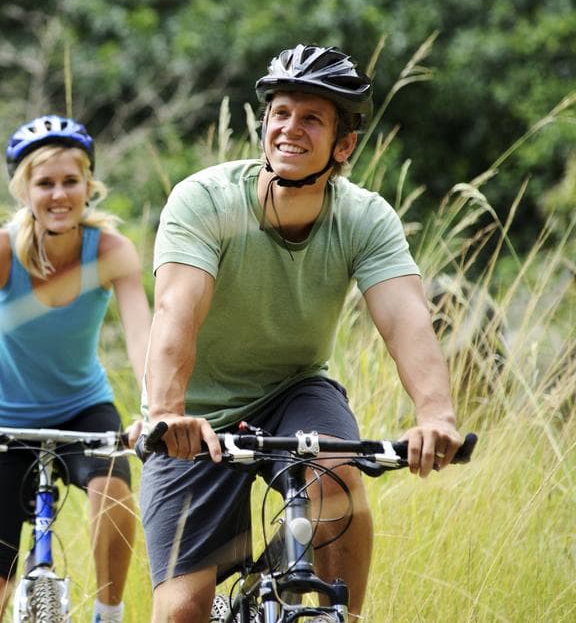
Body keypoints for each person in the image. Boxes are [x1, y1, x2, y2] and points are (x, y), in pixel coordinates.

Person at [139, 44, 464, 622]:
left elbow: (406, 318)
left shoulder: (364, 217)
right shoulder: (206, 201)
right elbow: (176, 311)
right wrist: (167, 410)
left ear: (344, 146)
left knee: (339, 469)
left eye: (311, 118)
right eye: (281, 113)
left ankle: (340, 617)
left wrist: (436, 416)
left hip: (295, 390)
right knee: (181, 610)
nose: (290, 128)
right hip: (195, 414)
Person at [0, 115, 151, 623]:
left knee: (113, 492)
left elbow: (144, 338)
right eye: (44, 183)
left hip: (82, 410)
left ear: (88, 185)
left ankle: (108, 613)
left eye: (70, 181)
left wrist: (153, 410)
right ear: (23, 189)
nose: (59, 194)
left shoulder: (112, 251)